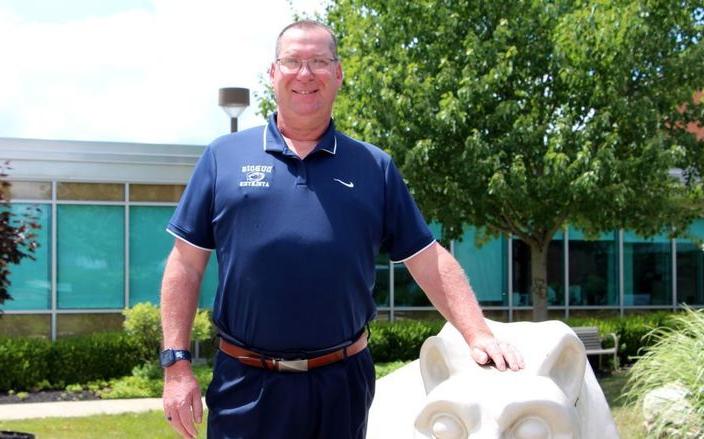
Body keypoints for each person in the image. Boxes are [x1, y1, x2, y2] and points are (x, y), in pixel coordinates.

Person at [160, 20, 524, 439]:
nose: (306, 74)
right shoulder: (223, 157)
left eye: (319, 61)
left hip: (341, 385)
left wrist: (478, 333)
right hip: (246, 384)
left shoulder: (374, 167)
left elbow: (426, 258)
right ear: (273, 74)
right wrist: (176, 364)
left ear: (339, 73)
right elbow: (186, 265)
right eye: (293, 61)